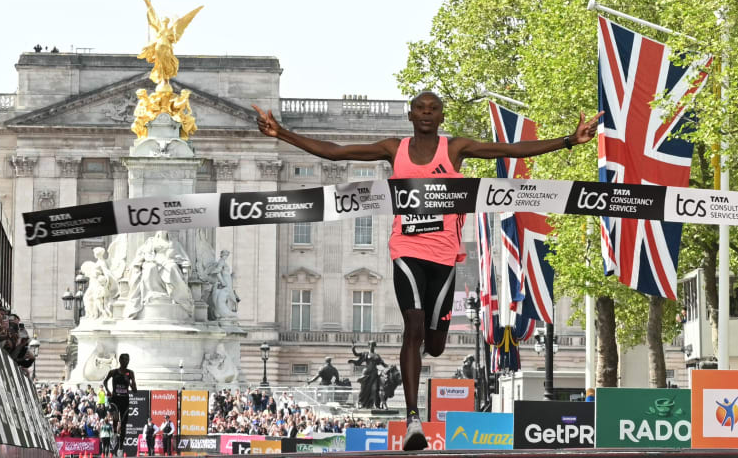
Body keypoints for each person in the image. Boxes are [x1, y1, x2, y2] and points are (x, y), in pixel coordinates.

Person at [254, 92, 601, 451]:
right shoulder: (394, 149)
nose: (426, 114)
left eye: (432, 109)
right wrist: (282, 134)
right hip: (406, 249)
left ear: (441, 116)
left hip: (444, 256)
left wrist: (568, 141)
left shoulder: (454, 149)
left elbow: (507, 150)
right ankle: (412, 418)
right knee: (413, 328)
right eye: (420, 108)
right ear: (410, 114)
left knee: (434, 345)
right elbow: (337, 152)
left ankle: (433, 344)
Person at [102, 353, 137, 453]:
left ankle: (120, 448)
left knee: (124, 424)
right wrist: (108, 390)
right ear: (120, 360)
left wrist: (129, 382)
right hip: (115, 398)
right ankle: (113, 432)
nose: (127, 362)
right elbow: (105, 381)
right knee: (116, 417)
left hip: (125, 400)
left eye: (128, 360)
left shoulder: (130, 373)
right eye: (125, 360)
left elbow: (135, 390)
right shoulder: (113, 372)